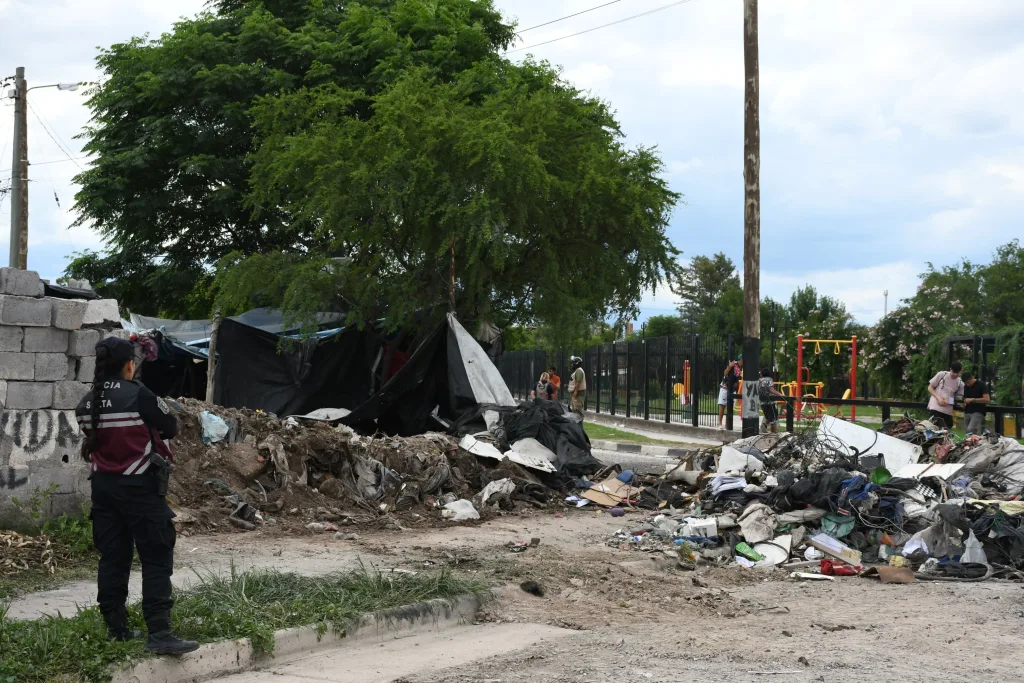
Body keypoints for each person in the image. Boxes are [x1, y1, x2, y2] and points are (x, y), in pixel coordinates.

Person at [75, 337, 199, 655]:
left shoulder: (86, 404)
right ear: (129, 364)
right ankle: (159, 633)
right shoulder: (140, 395)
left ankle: (116, 629)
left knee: (113, 559)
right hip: (140, 490)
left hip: (103, 490)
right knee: (156, 557)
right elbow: (169, 427)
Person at [926, 361, 964, 430]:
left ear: (961, 371)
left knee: (945, 431)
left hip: (947, 411)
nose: (955, 374)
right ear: (950, 369)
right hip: (935, 407)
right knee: (932, 428)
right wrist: (938, 398)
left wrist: (949, 401)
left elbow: (959, 400)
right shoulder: (942, 375)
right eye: (953, 372)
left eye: (957, 373)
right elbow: (930, 387)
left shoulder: (960, 383)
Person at [717, 355, 743, 430]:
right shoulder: (733, 364)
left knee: (730, 407)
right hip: (725, 387)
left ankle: (727, 424)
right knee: (722, 405)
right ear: (741, 359)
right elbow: (725, 373)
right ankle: (719, 423)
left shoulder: (741, 367)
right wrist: (729, 367)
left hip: (732, 389)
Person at [758, 367, 787, 434]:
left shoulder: (759, 380)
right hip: (770, 402)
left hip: (762, 402)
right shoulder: (769, 379)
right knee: (773, 419)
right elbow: (771, 390)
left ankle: (764, 425)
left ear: (762, 374)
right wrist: (780, 395)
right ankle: (773, 434)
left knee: (768, 417)